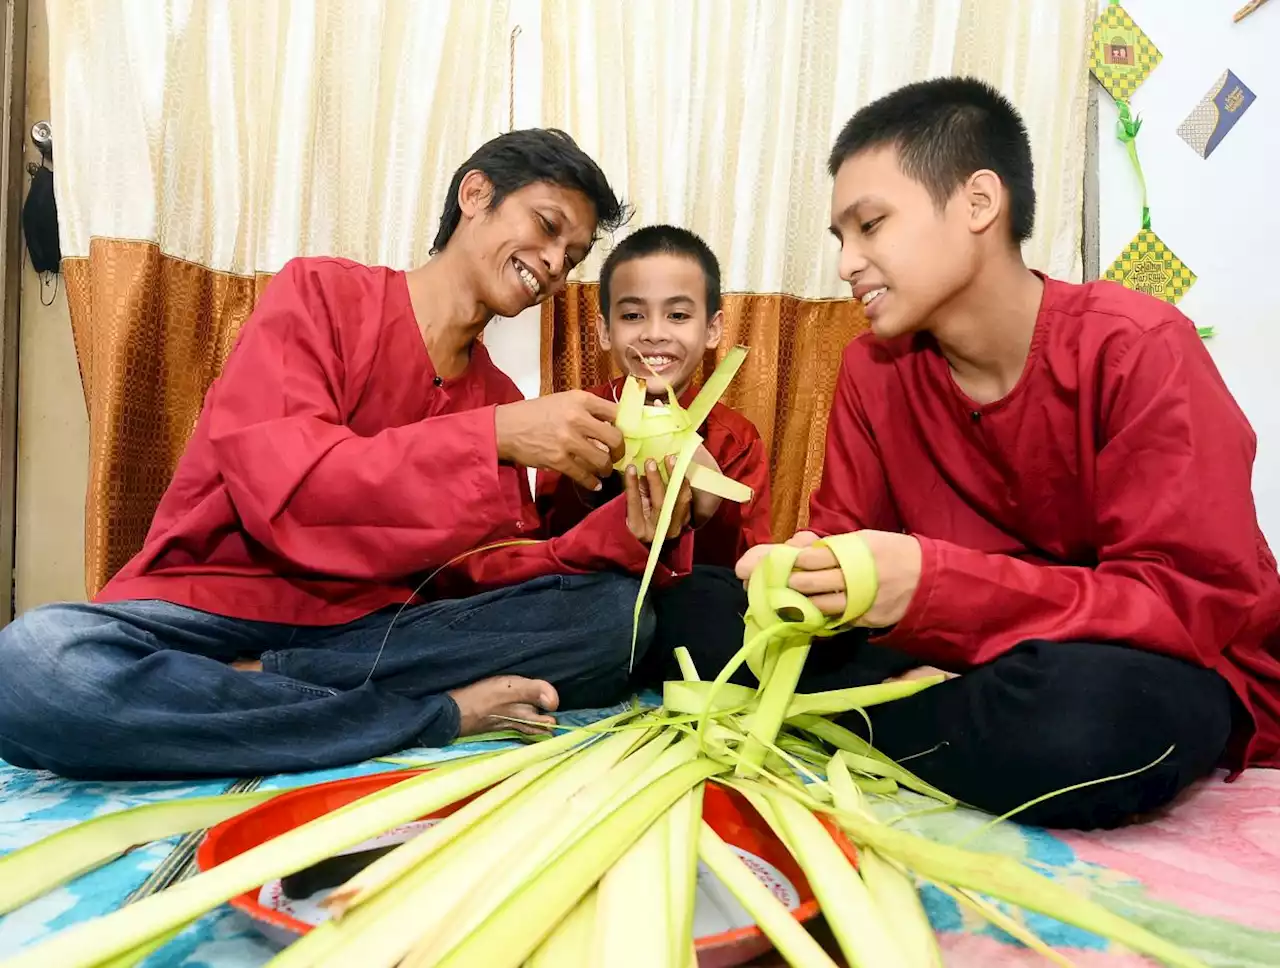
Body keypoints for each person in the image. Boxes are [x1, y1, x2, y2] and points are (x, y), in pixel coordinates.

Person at [0, 128, 701, 780]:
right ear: (476, 195)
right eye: (548, 228)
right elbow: (288, 489)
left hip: (369, 630)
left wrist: (639, 527)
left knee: (616, 620)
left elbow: (476, 574)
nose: (553, 265)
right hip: (211, 610)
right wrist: (490, 436)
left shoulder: (494, 392)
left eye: (572, 258)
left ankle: (262, 687)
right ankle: (431, 713)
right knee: (36, 664)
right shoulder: (319, 294)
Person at [702, 78, 1280, 829]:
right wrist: (811, 573)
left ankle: (852, 724)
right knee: (700, 612)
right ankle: (905, 722)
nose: (848, 263)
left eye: (870, 225)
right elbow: (845, 539)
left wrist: (936, 587)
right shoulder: (871, 370)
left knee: (1087, 720)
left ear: (979, 202)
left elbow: (1185, 607)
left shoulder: (1138, 348)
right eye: (840, 240)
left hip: (1133, 664)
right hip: (953, 654)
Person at [536, 225, 774, 688]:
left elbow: (745, 573)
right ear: (605, 331)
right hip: (596, 612)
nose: (655, 335)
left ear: (713, 329)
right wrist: (593, 487)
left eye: (679, 316)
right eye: (632, 316)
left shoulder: (736, 439)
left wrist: (709, 509)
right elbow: (548, 551)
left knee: (719, 612)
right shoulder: (578, 421)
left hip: (693, 619)